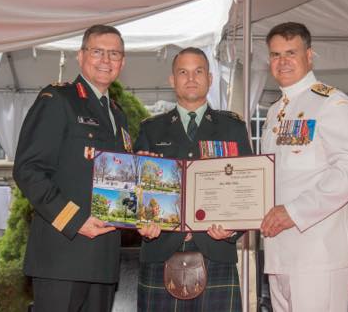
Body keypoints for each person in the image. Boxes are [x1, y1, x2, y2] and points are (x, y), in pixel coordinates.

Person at [13, 25, 130, 312]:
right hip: (62, 257)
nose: (106, 60)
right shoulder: (57, 99)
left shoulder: (117, 114)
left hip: (103, 262)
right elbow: (28, 170)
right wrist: (74, 220)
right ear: (80, 56)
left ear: (122, 63)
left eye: (114, 53)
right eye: (97, 51)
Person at [260, 22, 348, 312]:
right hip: (279, 252)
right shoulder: (274, 111)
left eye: (290, 53)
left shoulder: (331, 102)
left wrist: (294, 212)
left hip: (320, 254)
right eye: (275, 55)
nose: (282, 62)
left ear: (310, 56)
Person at [134, 47, 252, 311]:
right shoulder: (150, 129)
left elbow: (247, 189)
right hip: (160, 252)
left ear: (210, 79)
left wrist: (233, 229)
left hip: (216, 252)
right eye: (183, 72)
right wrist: (141, 222)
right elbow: (135, 190)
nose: (191, 78)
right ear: (172, 80)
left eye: (198, 71)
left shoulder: (233, 127)